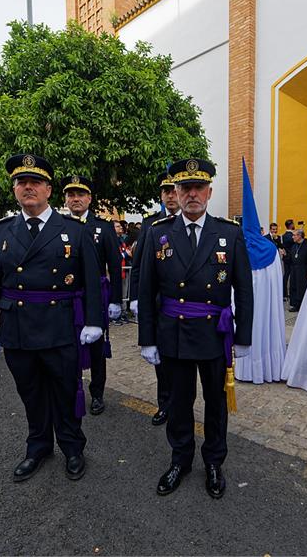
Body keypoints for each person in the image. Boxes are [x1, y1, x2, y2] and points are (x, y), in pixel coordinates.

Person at [0, 154, 103, 482]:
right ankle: (38, 446)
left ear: (48, 190)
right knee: (30, 392)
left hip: (60, 325)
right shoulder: (2, 231)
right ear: (14, 190)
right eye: (21, 182)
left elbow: (92, 280)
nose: (28, 188)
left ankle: (72, 446)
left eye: (35, 182)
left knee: (65, 390)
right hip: (18, 327)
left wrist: (94, 321)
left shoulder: (74, 230)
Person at [138, 158, 253, 499]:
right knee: (178, 402)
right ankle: (181, 459)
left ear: (209, 192)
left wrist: (243, 336)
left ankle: (214, 461)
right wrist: (147, 339)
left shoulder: (229, 233)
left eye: (198, 188)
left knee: (216, 402)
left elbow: (244, 289)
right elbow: (146, 289)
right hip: (173, 332)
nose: (192, 194)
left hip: (214, 334)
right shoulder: (158, 233)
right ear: (175, 192)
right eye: (185, 188)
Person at [63, 175, 122, 415]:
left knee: (96, 347)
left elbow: (115, 265)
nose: (75, 199)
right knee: (68, 345)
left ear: (89, 198)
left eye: (80, 194)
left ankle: (97, 393)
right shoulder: (59, 225)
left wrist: (116, 299)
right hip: (68, 297)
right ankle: (71, 388)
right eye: (71, 195)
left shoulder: (103, 226)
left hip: (94, 296)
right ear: (65, 199)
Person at [129, 170, 181, 425]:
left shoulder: (196, 221)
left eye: (174, 190)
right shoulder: (151, 224)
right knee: (162, 361)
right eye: (166, 191)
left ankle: (181, 404)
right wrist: (135, 297)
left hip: (188, 306)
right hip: (161, 304)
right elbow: (139, 265)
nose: (170, 196)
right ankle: (165, 404)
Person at [287, 229, 307, 312]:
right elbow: (290, 258)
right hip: (294, 269)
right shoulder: (294, 246)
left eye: (294, 235)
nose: (293, 237)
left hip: (303, 270)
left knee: (301, 288)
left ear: (299, 236)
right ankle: (295, 305)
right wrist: (285, 255)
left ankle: (302, 305)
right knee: (294, 286)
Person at [281, 219, 295, 298]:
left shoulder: (284, 235)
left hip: (286, 257)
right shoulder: (291, 235)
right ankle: (287, 293)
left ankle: (285, 293)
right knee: (289, 275)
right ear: (291, 225)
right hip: (291, 257)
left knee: (286, 275)